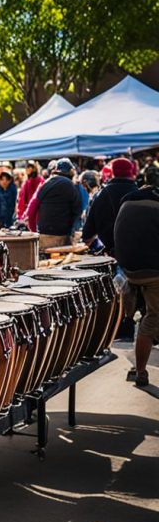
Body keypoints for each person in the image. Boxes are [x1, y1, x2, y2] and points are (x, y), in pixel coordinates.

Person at [113, 172, 159, 387]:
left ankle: (136, 362)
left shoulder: (128, 199)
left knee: (144, 316)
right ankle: (141, 371)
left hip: (128, 268)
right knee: (152, 319)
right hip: (151, 270)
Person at [83, 158, 139, 252]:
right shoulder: (140, 194)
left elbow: (87, 233)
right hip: (138, 253)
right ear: (131, 172)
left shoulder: (101, 195)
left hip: (111, 253)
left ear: (113, 172)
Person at [27, 159, 83, 250]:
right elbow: (78, 212)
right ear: (71, 172)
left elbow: (31, 211)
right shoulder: (73, 187)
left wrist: (34, 232)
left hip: (43, 236)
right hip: (63, 237)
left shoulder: (45, 184)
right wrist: (73, 235)